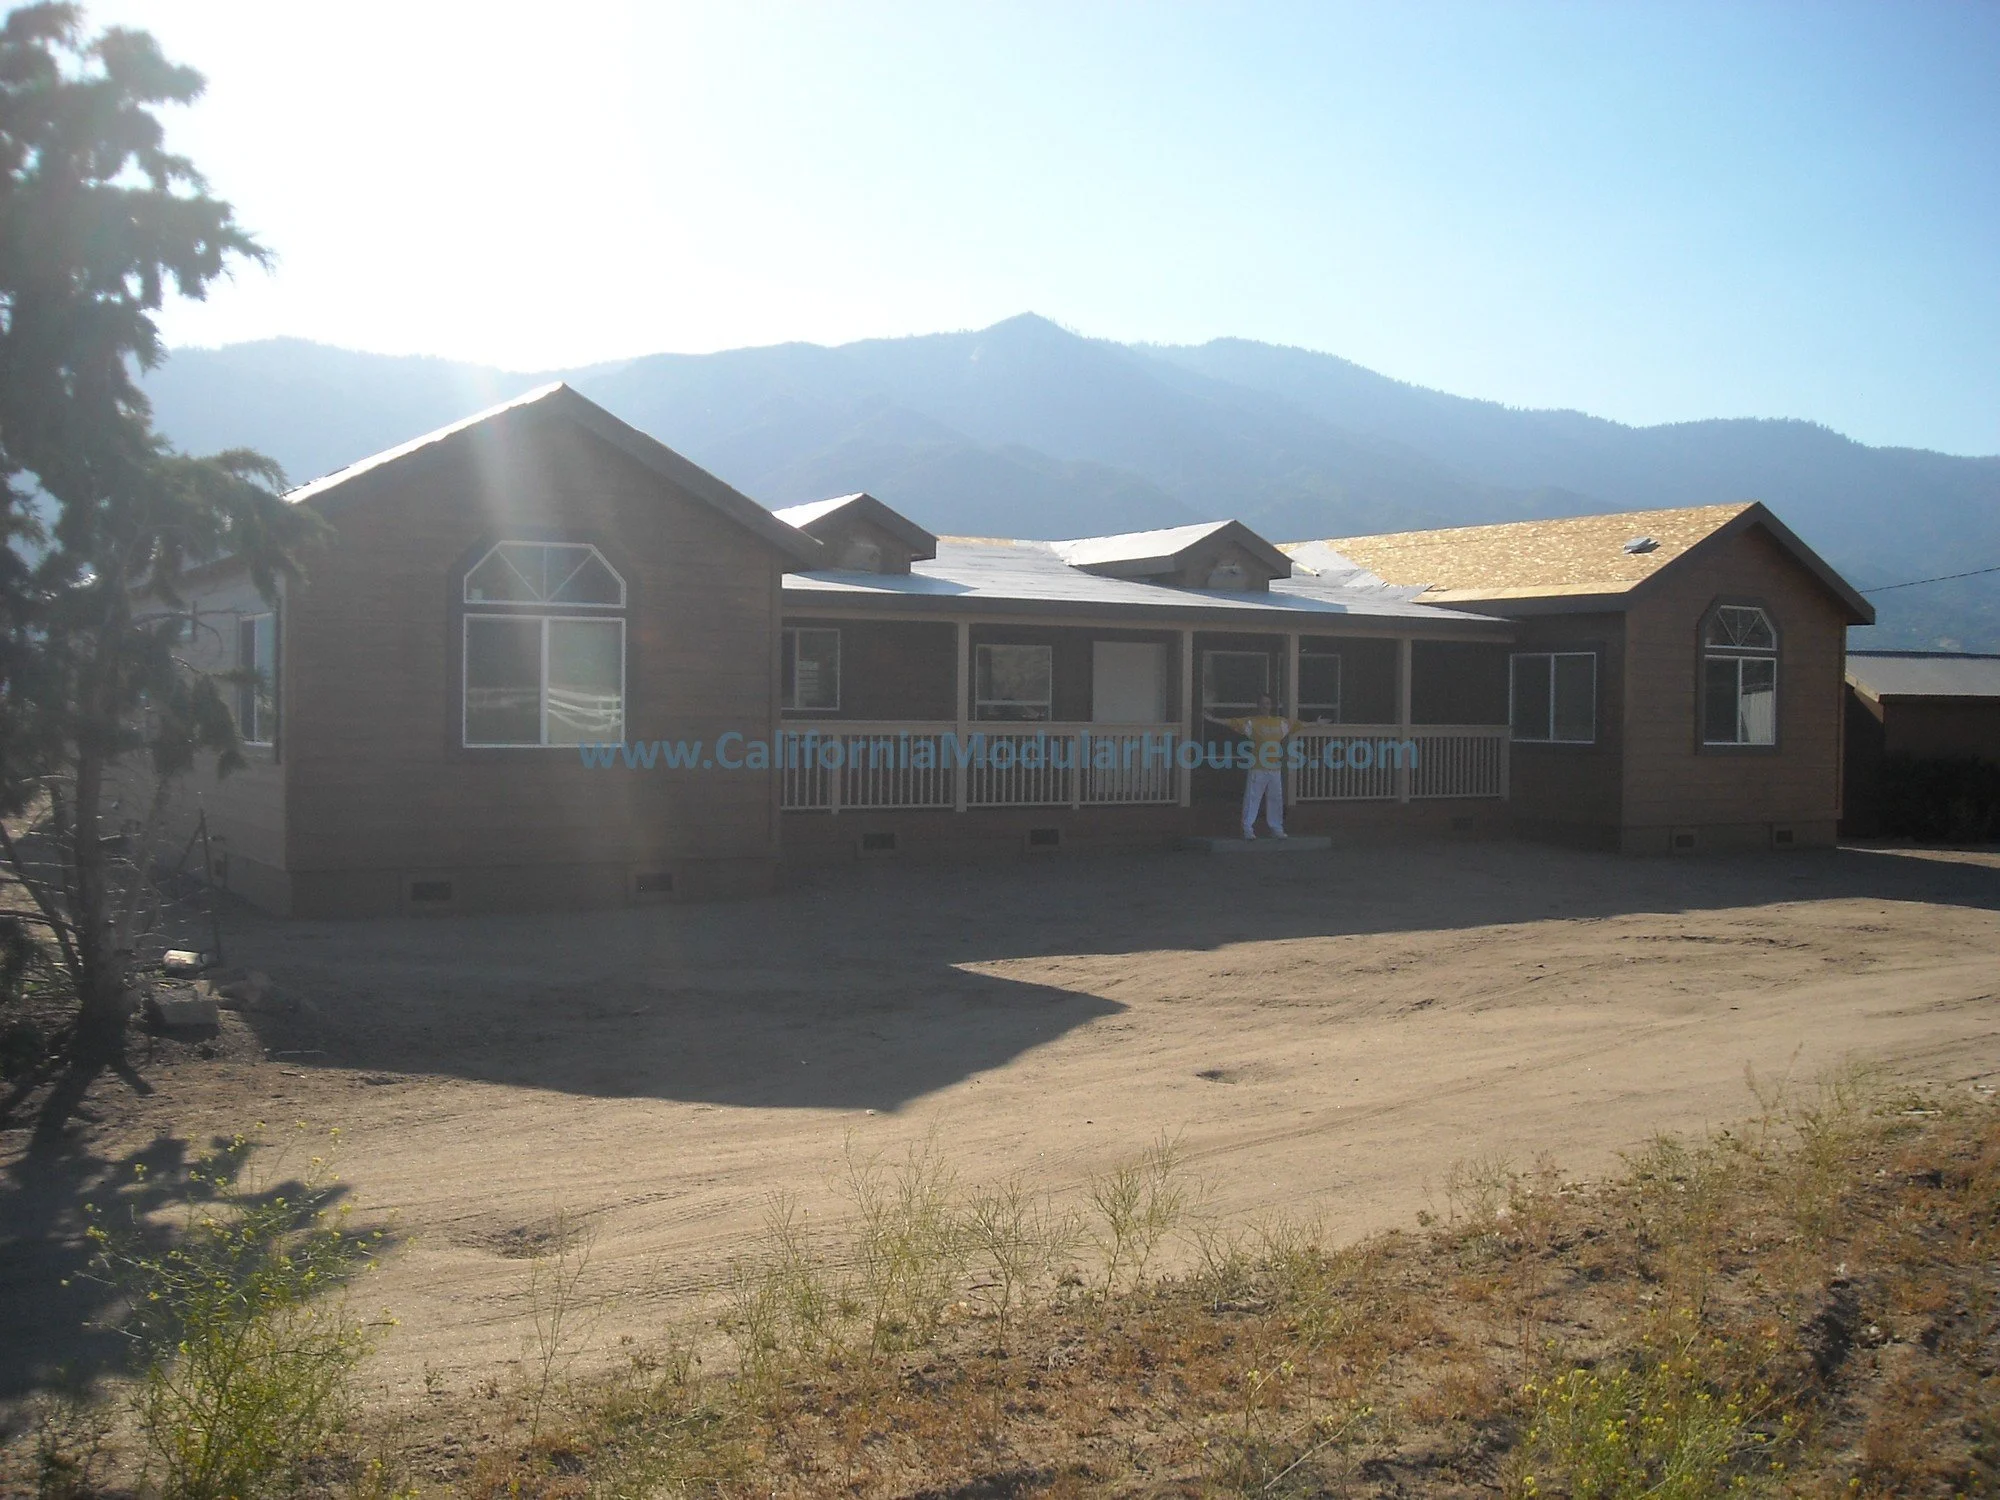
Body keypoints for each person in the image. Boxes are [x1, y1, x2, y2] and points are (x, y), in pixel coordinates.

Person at [1206, 692, 1293, 839]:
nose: (1265, 706)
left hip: (1274, 768)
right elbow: (1232, 722)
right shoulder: (1252, 722)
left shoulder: (1280, 722)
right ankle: (1248, 828)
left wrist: (1316, 724)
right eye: (1263, 703)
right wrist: (1213, 719)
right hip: (1258, 768)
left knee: (1275, 798)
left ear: (1271, 705)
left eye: (1268, 703)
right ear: (1258, 705)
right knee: (1253, 798)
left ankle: (1276, 828)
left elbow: (1297, 725)